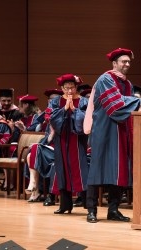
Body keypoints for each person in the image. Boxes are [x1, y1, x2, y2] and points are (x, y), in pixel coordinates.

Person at [85, 48, 141, 223]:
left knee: (120, 170)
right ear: (114, 64)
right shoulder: (106, 79)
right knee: (97, 169)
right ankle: (91, 210)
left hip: (121, 131)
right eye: (124, 61)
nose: (127, 64)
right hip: (104, 131)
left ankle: (113, 210)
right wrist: (139, 101)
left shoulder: (127, 84)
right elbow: (116, 106)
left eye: (129, 61)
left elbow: (126, 108)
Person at [49, 74, 89, 214]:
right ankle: (65, 205)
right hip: (61, 139)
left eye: (72, 87)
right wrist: (65, 109)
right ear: (62, 88)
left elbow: (88, 119)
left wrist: (75, 110)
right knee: (62, 170)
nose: (70, 91)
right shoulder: (55, 102)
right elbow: (51, 118)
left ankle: (88, 204)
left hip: (77, 140)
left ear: (76, 87)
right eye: (66, 88)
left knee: (81, 169)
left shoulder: (84, 101)